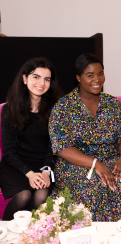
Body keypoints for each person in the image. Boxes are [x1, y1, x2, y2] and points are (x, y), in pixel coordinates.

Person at [49, 53, 121, 222]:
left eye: (100, 74)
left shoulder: (112, 104)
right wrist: (95, 164)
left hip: (111, 158)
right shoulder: (63, 107)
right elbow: (62, 148)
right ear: (78, 77)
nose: (97, 80)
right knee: (93, 183)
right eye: (90, 75)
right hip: (76, 164)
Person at [0, 57, 61, 220]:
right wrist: (29, 174)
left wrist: (47, 171)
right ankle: (3, 230)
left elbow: (53, 147)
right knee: (24, 196)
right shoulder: (9, 109)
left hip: (42, 166)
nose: (41, 83)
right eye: (36, 77)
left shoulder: (55, 110)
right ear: (24, 78)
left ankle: (30, 233)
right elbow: (9, 151)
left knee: (41, 196)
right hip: (16, 166)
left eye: (47, 79)